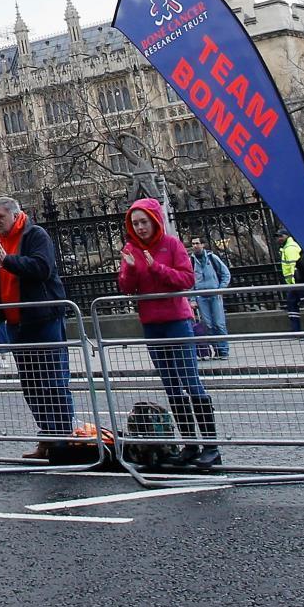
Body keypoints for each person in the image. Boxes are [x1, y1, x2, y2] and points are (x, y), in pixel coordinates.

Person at [119, 198, 221, 470]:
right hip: (152, 323)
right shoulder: (132, 248)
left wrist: (156, 268)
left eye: (144, 222)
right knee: (172, 385)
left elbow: (186, 279)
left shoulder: (172, 245)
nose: (140, 228)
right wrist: (129, 268)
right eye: (135, 223)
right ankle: (190, 444)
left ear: (155, 220)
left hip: (177, 320)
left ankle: (211, 445)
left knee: (190, 381)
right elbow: (127, 287)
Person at [0, 196, 72, 457]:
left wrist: (6, 261)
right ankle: (47, 437)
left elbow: (42, 268)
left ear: (15, 215)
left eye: (0, 217)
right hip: (16, 323)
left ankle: (62, 439)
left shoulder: (35, 235)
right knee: (32, 386)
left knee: (53, 382)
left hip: (43, 319)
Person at [191, 239, 234, 358]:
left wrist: (220, 289)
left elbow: (225, 273)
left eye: (197, 243)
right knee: (208, 325)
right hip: (201, 296)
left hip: (215, 295)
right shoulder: (191, 261)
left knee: (219, 324)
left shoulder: (212, 258)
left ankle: (223, 350)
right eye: (193, 244)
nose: (195, 246)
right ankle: (216, 349)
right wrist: (192, 298)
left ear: (203, 245)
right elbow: (190, 282)